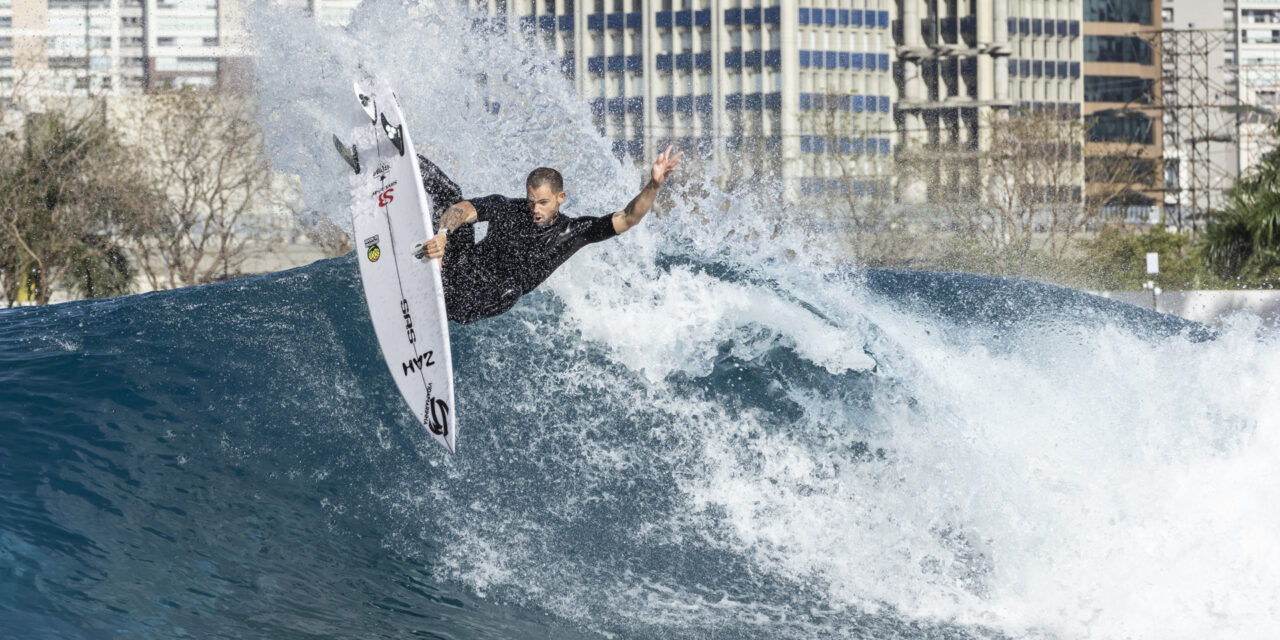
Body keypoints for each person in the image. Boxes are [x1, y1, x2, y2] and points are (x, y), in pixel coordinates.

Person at [417, 145, 683, 323]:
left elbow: (629, 218)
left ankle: (441, 312)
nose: (535, 209)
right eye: (531, 201)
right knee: (451, 192)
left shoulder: (572, 233)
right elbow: (464, 210)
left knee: (512, 290)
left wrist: (654, 185)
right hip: (454, 268)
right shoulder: (508, 208)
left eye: (543, 202)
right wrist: (442, 235)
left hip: (470, 297)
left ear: (560, 198)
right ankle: (390, 143)